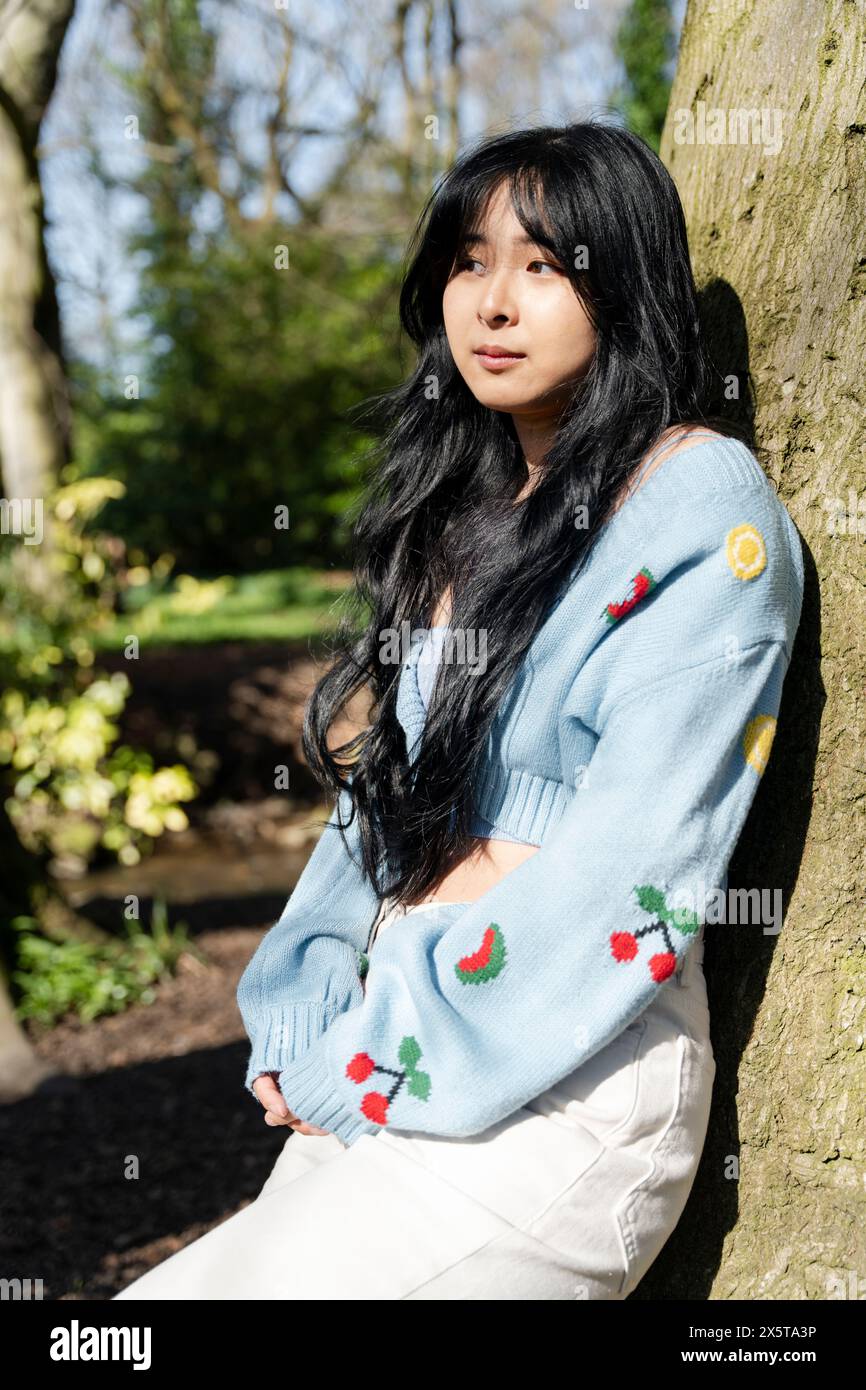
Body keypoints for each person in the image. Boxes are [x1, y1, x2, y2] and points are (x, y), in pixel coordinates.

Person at [113, 119, 804, 1300]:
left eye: (542, 267)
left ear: (622, 285)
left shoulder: (703, 509)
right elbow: (382, 812)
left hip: (557, 1093)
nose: (491, 302)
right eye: (468, 261)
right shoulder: (475, 512)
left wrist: (370, 1051)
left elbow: (623, 879)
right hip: (397, 1061)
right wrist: (300, 996)